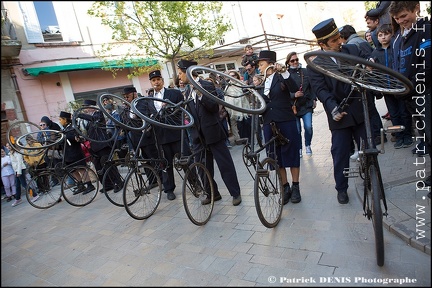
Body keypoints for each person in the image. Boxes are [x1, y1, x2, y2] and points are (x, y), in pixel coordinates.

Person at [307, 18, 371, 204]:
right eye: (334, 41)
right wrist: (333, 108)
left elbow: (368, 63)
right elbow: (320, 90)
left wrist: (369, 65)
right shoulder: (315, 64)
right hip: (339, 114)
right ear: (322, 44)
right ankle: (341, 188)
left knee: (368, 148)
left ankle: (371, 178)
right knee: (340, 152)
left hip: (359, 109)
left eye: (339, 37)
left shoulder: (352, 50)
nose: (340, 42)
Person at [177, 59, 242, 206]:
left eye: (181, 73)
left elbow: (213, 107)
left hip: (213, 132)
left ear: (189, 72)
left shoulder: (206, 85)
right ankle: (213, 193)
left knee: (225, 165)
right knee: (202, 167)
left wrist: (201, 94)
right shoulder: (186, 91)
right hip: (198, 136)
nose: (179, 77)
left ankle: (235, 193)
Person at [389, 1, 431, 194]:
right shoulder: (398, 38)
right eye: (397, 18)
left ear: (416, 9)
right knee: (426, 138)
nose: (401, 21)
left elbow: (427, 65)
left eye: (404, 16)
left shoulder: (425, 30)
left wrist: (412, 85)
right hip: (411, 98)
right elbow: (398, 65)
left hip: (426, 94)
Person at [256, 50, 302, 205]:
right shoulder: (261, 82)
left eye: (261, 64)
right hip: (269, 123)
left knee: (292, 153)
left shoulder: (281, 76)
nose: (259, 68)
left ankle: (296, 187)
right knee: (276, 157)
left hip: (285, 120)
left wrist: (285, 72)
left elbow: (294, 88)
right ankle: (285, 187)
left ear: (269, 63)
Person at [136, 69, 188, 201]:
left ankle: (195, 183)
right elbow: (146, 115)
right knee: (165, 164)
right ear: (151, 82)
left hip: (176, 133)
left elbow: (181, 111)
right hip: (160, 137)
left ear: (162, 81)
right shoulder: (147, 99)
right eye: (153, 80)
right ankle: (169, 189)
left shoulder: (174, 93)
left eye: (158, 79)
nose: (156, 82)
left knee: (185, 161)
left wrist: (169, 108)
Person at [76, 100, 122, 194]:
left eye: (87, 106)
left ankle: (119, 182)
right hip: (94, 146)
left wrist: (80, 115)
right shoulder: (89, 120)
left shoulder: (98, 114)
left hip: (103, 144)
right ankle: (107, 184)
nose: (85, 109)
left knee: (107, 164)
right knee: (98, 166)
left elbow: (93, 118)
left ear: (92, 107)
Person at [285, 51, 316, 158]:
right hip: (293, 106)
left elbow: (312, 86)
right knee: (297, 130)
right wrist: (293, 95)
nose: (295, 62)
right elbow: (283, 91)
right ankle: (299, 148)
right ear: (288, 62)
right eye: (292, 60)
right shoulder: (286, 74)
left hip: (306, 104)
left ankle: (308, 145)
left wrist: (314, 99)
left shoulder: (305, 71)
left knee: (308, 127)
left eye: (296, 60)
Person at [58, 111, 95, 195]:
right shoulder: (64, 129)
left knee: (81, 169)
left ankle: (89, 185)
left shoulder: (72, 127)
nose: (59, 121)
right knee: (73, 170)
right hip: (68, 154)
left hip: (75, 152)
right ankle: (80, 185)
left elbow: (75, 137)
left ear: (65, 119)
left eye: (60, 119)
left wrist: (66, 135)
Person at [226, 70, 252, 144]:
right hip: (236, 110)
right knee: (240, 126)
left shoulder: (241, 84)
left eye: (233, 75)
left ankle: (250, 139)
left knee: (247, 124)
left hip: (245, 108)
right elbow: (226, 97)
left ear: (236, 76)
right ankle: (244, 140)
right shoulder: (228, 86)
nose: (232, 77)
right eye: (230, 76)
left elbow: (248, 93)